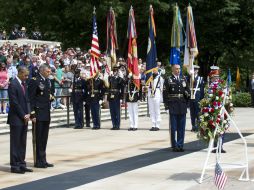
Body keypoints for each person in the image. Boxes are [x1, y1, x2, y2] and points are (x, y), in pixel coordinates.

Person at [28, 64, 54, 168]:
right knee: (38, 138)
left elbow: (46, 94)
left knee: (44, 138)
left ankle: (43, 159)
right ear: (42, 71)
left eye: (49, 71)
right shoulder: (35, 80)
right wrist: (32, 113)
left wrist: (51, 97)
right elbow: (31, 98)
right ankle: (38, 161)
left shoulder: (47, 81)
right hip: (38, 113)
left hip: (46, 112)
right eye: (47, 71)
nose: (49, 73)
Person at [8, 66, 33, 174]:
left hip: (24, 118)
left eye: (27, 75)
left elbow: (27, 100)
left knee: (22, 142)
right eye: (25, 75)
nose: (26, 77)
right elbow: (14, 103)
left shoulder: (24, 84)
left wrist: (29, 114)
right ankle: (15, 165)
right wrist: (23, 115)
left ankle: (22, 163)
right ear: (20, 73)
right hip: (16, 118)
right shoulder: (13, 84)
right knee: (15, 143)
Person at [163, 64, 190, 152]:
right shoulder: (168, 79)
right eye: (177, 69)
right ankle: (174, 145)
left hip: (182, 105)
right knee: (173, 127)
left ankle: (180, 145)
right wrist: (166, 106)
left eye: (179, 69)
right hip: (173, 105)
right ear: (173, 69)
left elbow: (188, 91)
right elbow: (165, 93)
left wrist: (187, 104)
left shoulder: (183, 79)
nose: (178, 70)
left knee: (181, 127)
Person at [107, 65, 125, 130]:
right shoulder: (110, 78)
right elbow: (108, 86)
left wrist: (121, 98)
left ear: (117, 72)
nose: (114, 72)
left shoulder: (120, 79)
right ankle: (114, 124)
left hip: (117, 96)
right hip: (111, 96)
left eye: (116, 71)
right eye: (114, 71)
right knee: (112, 111)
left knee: (117, 111)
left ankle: (117, 125)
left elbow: (122, 89)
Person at [189, 65, 204, 132]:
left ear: (197, 70)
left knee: (198, 112)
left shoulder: (200, 78)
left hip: (197, 96)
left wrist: (201, 99)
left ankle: (198, 126)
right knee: (192, 113)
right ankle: (193, 126)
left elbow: (202, 90)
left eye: (196, 69)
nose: (194, 71)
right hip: (191, 97)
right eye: (193, 69)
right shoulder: (189, 77)